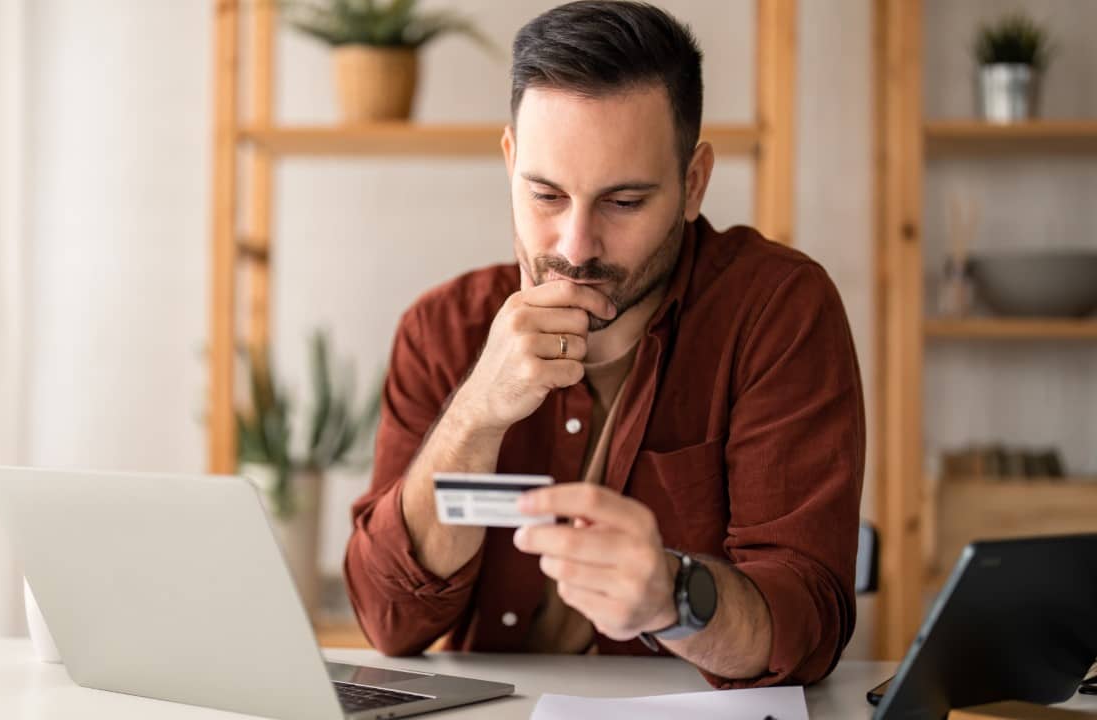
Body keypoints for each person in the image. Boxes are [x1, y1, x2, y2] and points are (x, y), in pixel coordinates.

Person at [343, 0, 865, 688]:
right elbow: (389, 619)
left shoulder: (776, 312)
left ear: (693, 183)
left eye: (624, 202)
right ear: (510, 162)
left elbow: (808, 627)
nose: (575, 248)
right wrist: (474, 413)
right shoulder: (442, 328)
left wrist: (673, 598)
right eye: (546, 195)